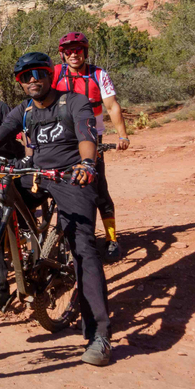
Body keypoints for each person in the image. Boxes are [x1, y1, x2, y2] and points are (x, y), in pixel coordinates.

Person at [0, 52, 112, 366]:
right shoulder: (24, 109)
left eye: (38, 74)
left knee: (83, 248)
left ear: (50, 75)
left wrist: (87, 163)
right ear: (20, 83)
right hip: (33, 174)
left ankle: (99, 334)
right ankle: (2, 285)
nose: (33, 80)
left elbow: (88, 138)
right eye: (25, 76)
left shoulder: (73, 102)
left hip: (70, 177)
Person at [53, 32, 129, 263]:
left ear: (85, 52)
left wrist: (122, 135)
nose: (73, 54)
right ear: (63, 54)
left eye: (78, 50)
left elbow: (112, 106)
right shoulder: (55, 73)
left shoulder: (98, 74)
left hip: (92, 139)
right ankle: (64, 239)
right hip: (62, 139)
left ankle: (111, 238)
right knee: (58, 189)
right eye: (69, 51)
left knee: (99, 191)